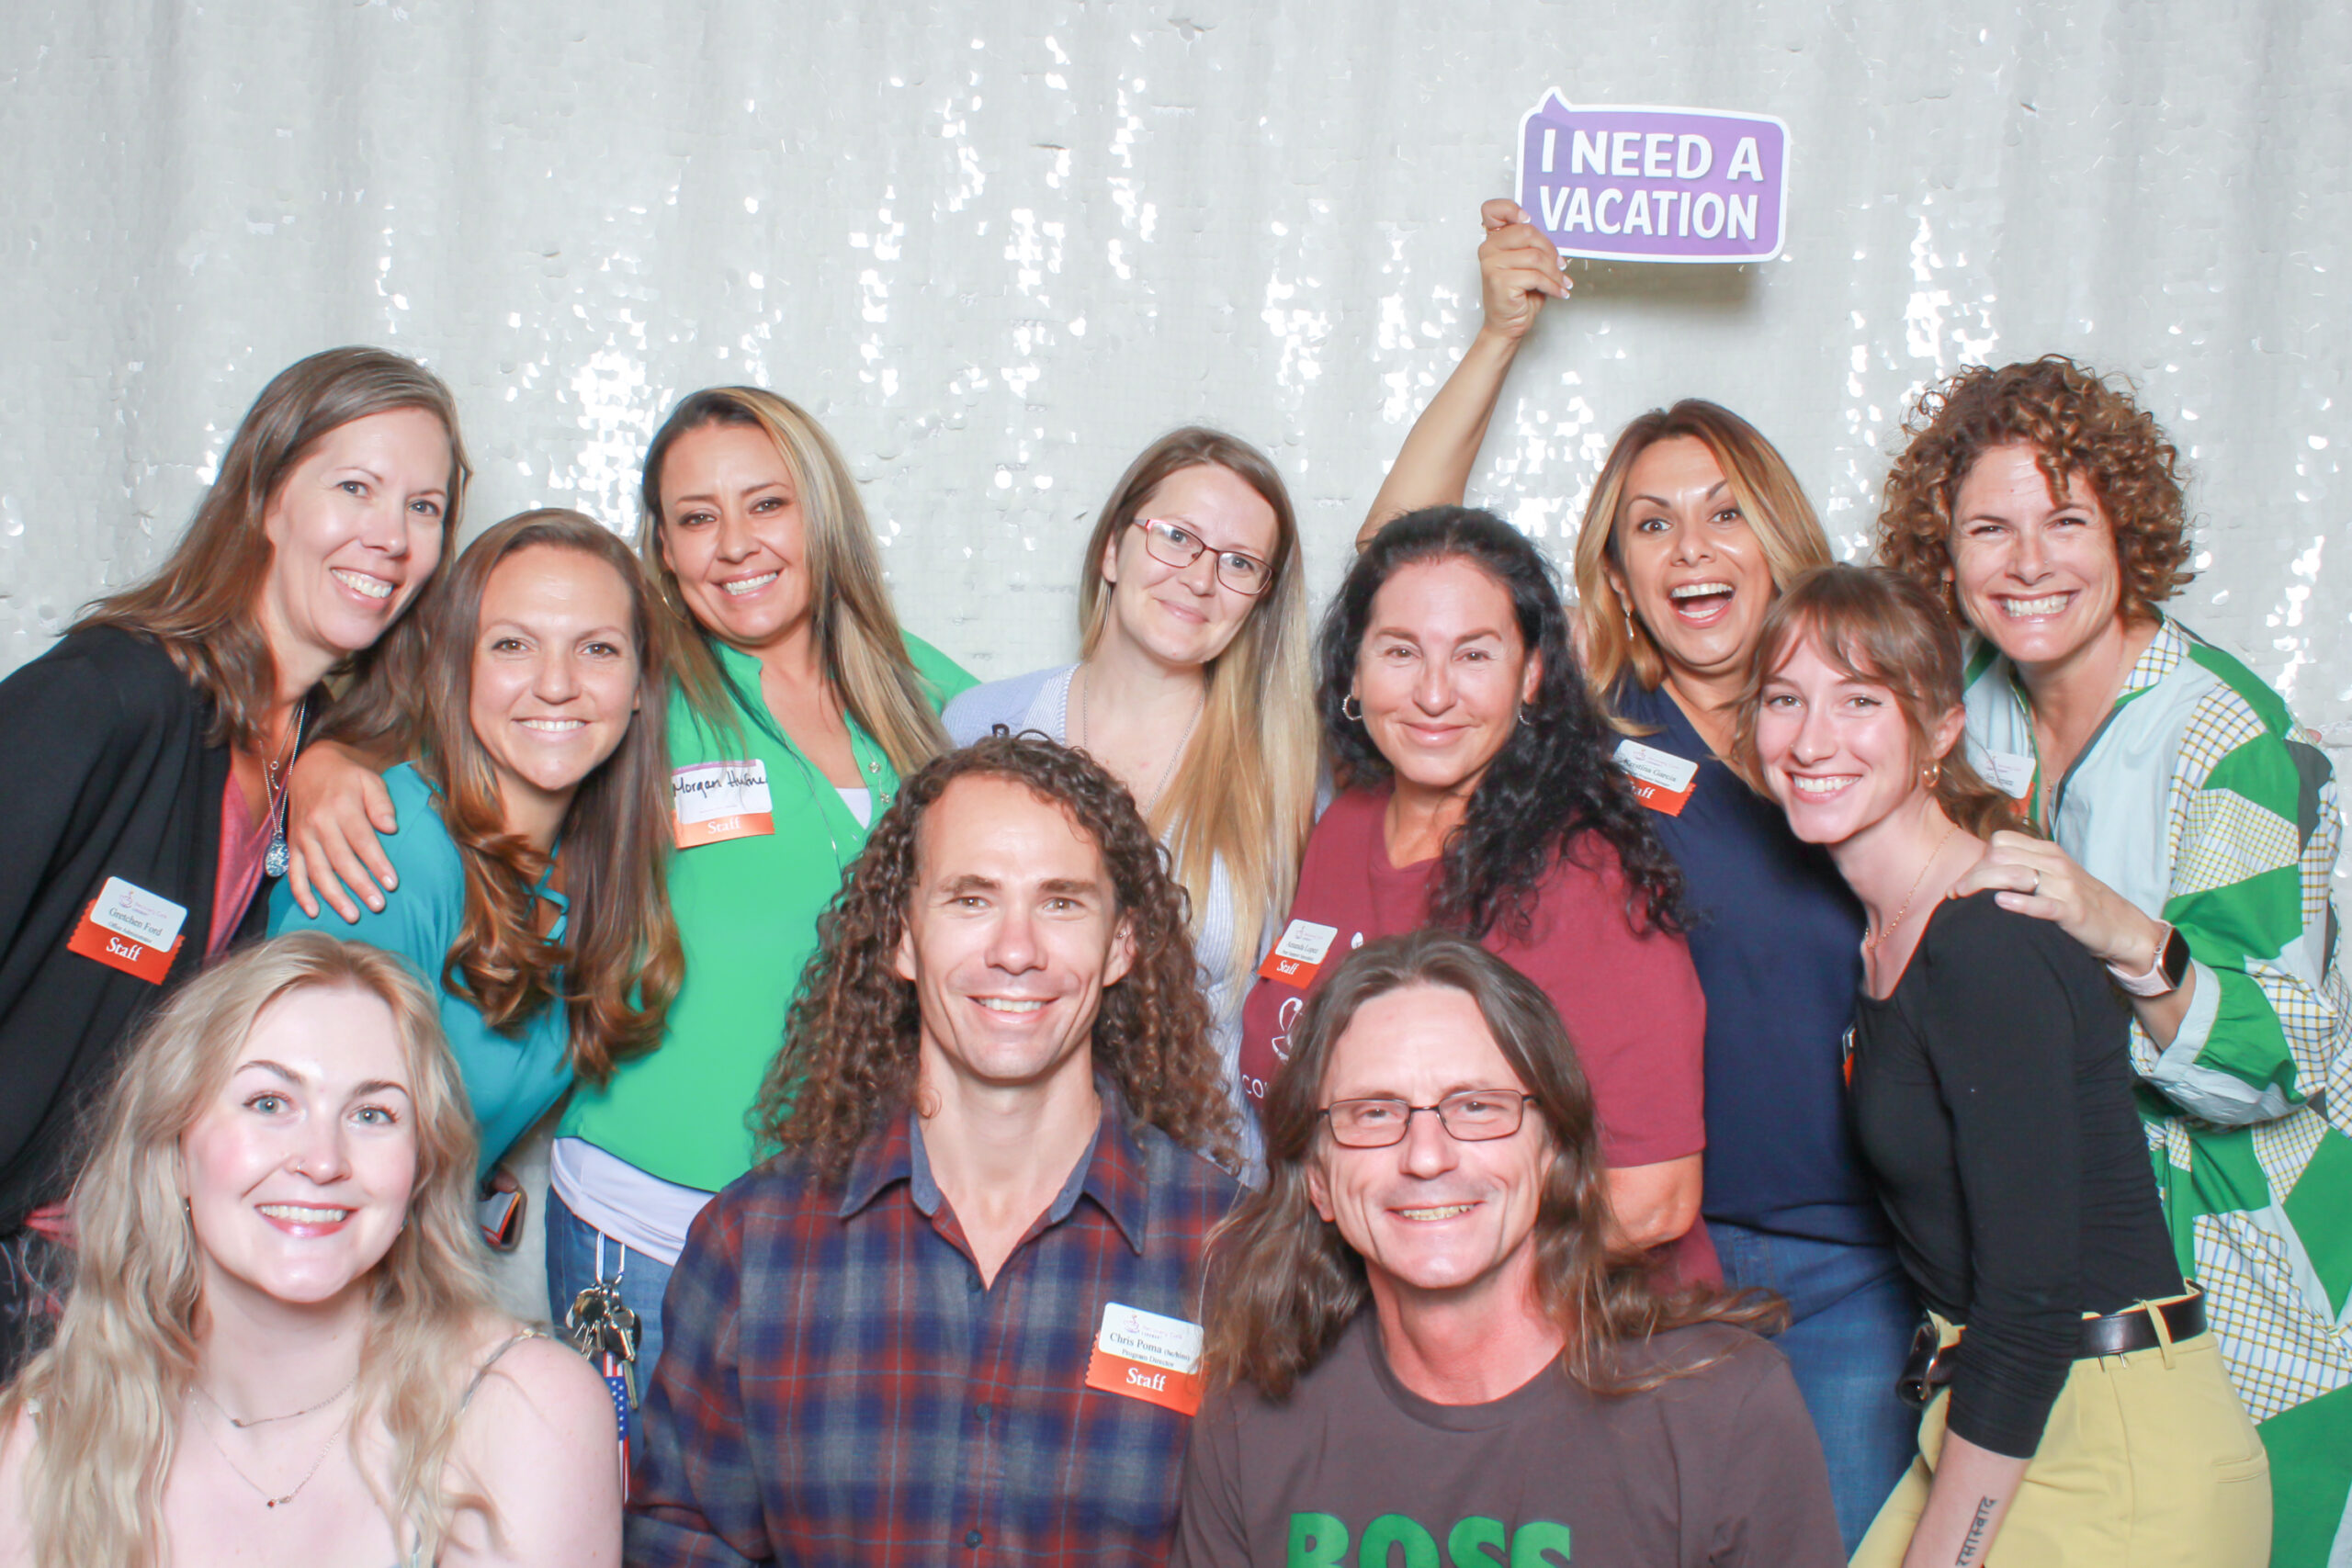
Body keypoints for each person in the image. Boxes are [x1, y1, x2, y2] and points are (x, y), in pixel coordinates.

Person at [1359, 198, 1916, 1545]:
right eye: (1652, 524)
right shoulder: (1584, 738)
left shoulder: (1867, 720)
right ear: (1616, 565)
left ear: (1780, 534)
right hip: (1642, 1253)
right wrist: (1498, 338)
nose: (1693, 547)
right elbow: (1400, 568)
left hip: (1855, 1266)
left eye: (1725, 511)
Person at [282, 386, 975, 1378]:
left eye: (766, 504)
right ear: (660, 545)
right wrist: (323, 760)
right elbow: (481, 699)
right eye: (697, 518)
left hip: (873, 1218)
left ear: (822, 512)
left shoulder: (922, 690)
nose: (735, 544)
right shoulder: (648, 677)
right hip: (652, 1213)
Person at [1877, 356, 2350, 1567]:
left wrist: (2118, 924)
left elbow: (2286, 1052)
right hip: (2039, 1286)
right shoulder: (1958, 709)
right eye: (1991, 526)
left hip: (2247, 1269)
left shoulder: (2229, 735)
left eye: (2066, 520)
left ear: (2127, 529)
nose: (2029, 562)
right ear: (1945, 549)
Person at [1741, 563, 2270, 1566]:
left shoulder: (1983, 941)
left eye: (1859, 701)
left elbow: (2029, 1303)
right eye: (1783, 699)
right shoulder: (1883, 939)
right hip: (2004, 1411)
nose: (1811, 741)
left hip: (2115, 1450)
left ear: (1939, 730)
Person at [628, 734, 1242, 1566]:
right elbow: (684, 1540)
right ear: (903, 938)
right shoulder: (751, 1245)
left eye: (1061, 902)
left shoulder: (1230, 1253)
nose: (1016, 951)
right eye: (971, 899)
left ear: (1123, 944)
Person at [0, 346, 466, 1378]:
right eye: (355, 487)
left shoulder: (311, 751)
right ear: (264, 495)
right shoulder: (107, 699)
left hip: (128, 1278)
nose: (389, 537)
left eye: (424, 508)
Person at [1176, 929, 1843, 1567]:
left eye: (1477, 1106)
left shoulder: (1725, 1411)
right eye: (1374, 1112)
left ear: (1553, 1150)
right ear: (1318, 1180)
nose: (1427, 1156)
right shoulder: (1249, 1424)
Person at [0, 931, 619, 1568]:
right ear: (174, 1147)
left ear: (420, 1170)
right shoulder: (48, 1438)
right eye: (269, 1102)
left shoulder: (524, 1412)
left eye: (373, 1114)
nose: (323, 1160)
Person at [1237, 506, 1716, 1278]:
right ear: (1354, 668)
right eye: (1400, 651)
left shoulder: (1585, 874)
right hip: (1373, 1326)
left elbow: (1651, 1198)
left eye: (1473, 654)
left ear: (1529, 675)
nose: (1433, 693)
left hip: (1574, 1347)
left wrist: (1447, 1313)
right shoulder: (1343, 829)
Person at [944, 427, 1317, 1169]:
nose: (1200, 579)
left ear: (1261, 601)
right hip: (997, 1177)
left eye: (1239, 563)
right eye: (1176, 537)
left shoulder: (1290, 781)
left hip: (1205, 1200)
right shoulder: (977, 727)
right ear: (1113, 549)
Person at [271, 511, 681, 1185]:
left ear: (640, 686)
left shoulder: (585, 867)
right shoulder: (388, 853)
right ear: (457, 670)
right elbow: (301, 1160)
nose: (556, 683)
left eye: (598, 649)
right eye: (513, 645)